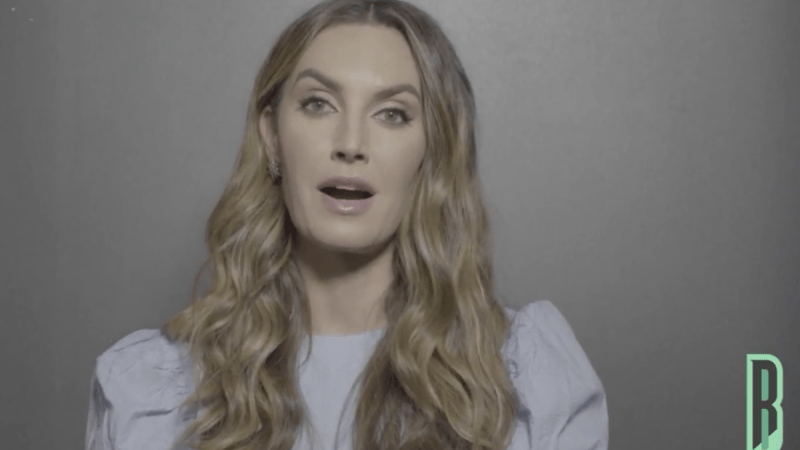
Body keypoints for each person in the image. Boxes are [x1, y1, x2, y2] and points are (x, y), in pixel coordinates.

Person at [84, 0, 609, 449]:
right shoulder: (147, 389)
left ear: (434, 150)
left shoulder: (528, 379)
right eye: (318, 104)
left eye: (393, 114)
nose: (351, 143)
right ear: (271, 135)